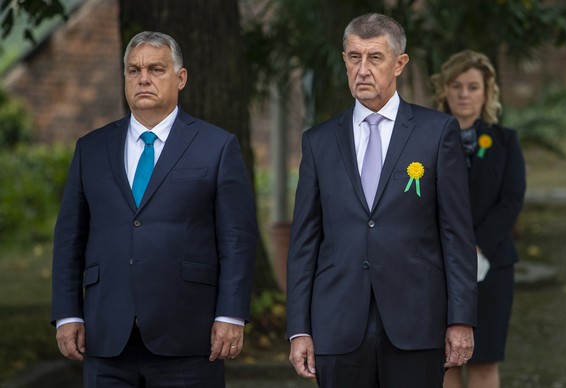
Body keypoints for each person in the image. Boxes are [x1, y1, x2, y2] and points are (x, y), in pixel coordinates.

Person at [51, 31, 258, 388]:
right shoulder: (91, 149)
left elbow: (237, 240)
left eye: (155, 69)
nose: (143, 78)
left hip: (189, 337)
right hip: (106, 336)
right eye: (133, 70)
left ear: (181, 78)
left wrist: (231, 314)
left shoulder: (217, 146)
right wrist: (67, 313)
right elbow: (70, 238)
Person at [286, 13, 478, 388]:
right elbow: (303, 242)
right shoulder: (319, 142)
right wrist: (298, 328)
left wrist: (460, 319)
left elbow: (457, 233)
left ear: (399, 63)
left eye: (374, 57)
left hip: (417, 323)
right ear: (344, 61)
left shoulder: (437, 133)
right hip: (337, 323)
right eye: (354, 57)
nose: (362, 69)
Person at [431, 50, 526, 388]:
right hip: (437, 266)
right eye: (456, 85)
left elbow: (512, 199)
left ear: (487, 92)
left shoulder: (505, 141)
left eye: (473, 87)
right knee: (445, 362)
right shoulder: (424, 140)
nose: (464, 94)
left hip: (492, 265)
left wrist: (476, 244)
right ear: (444, 90)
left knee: (484, 360)